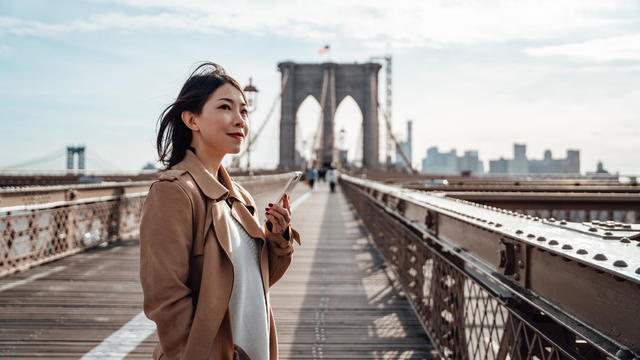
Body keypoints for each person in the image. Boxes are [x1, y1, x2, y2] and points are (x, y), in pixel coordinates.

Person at [139, 63, 301, 360]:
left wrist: (278, 238)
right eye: (226, 107)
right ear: (192, 119)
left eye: (244, 111)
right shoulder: (173, 193)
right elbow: (165, 298)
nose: (240, 120)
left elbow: (254, 283)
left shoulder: (239, 196)